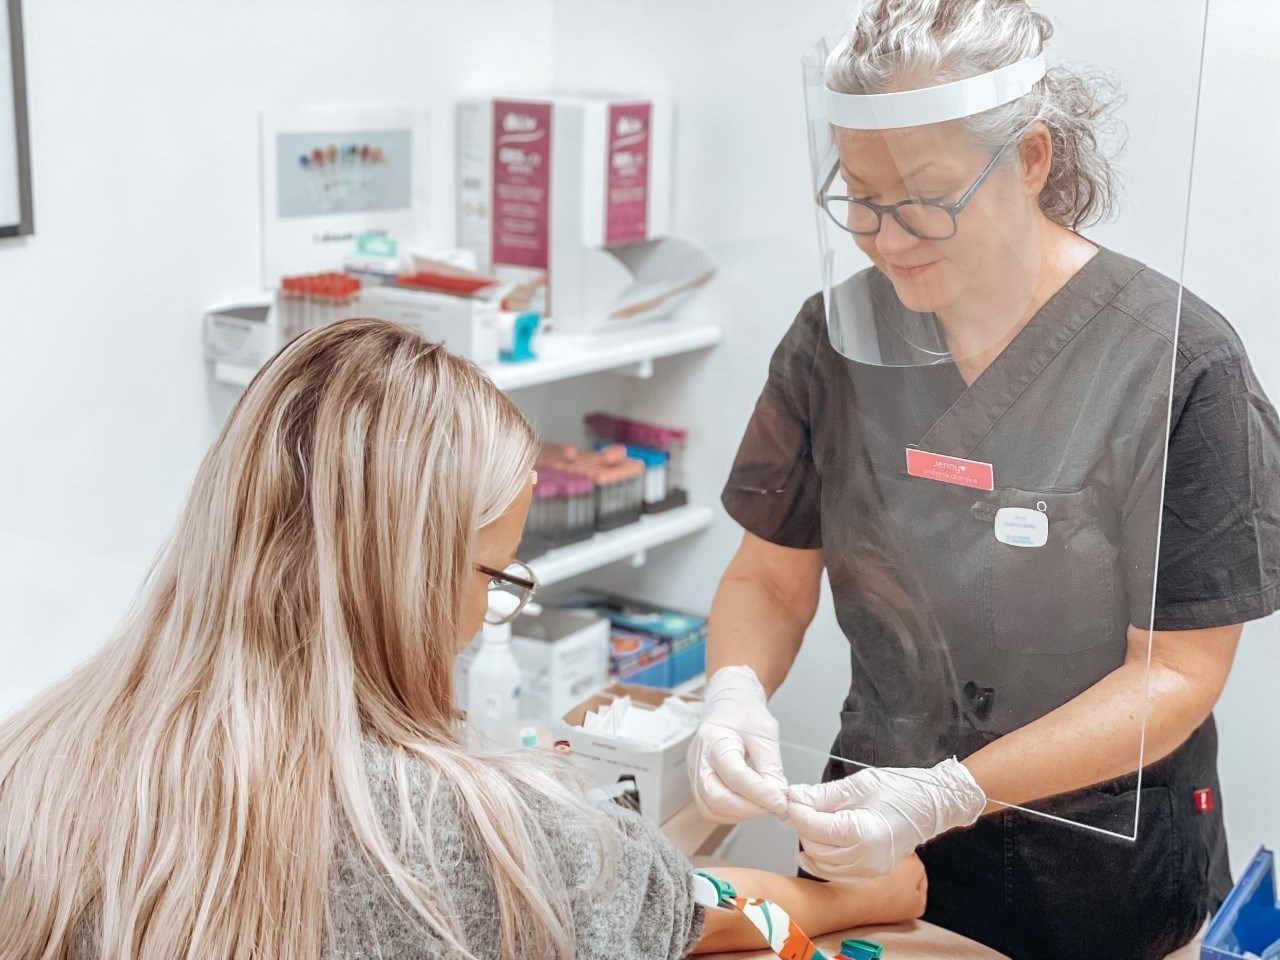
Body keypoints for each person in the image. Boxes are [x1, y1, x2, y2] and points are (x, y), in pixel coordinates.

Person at [0, 318, 926, 959]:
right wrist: (873, 891)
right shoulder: (487, 836)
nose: (485, 612)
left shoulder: (33, 767)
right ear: (408, 576)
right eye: (494, 576)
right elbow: (692, 913)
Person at [690, 2, 1280, 959]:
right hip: (869, 855)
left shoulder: (1177, 364)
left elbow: (1175, 673)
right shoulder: (832, 340)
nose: (888, 239)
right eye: (860, 199)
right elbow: (769, 574)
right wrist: (731, 691)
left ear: (1031, 158)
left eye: (927, 197)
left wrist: (948, 793)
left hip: (1097, 875)